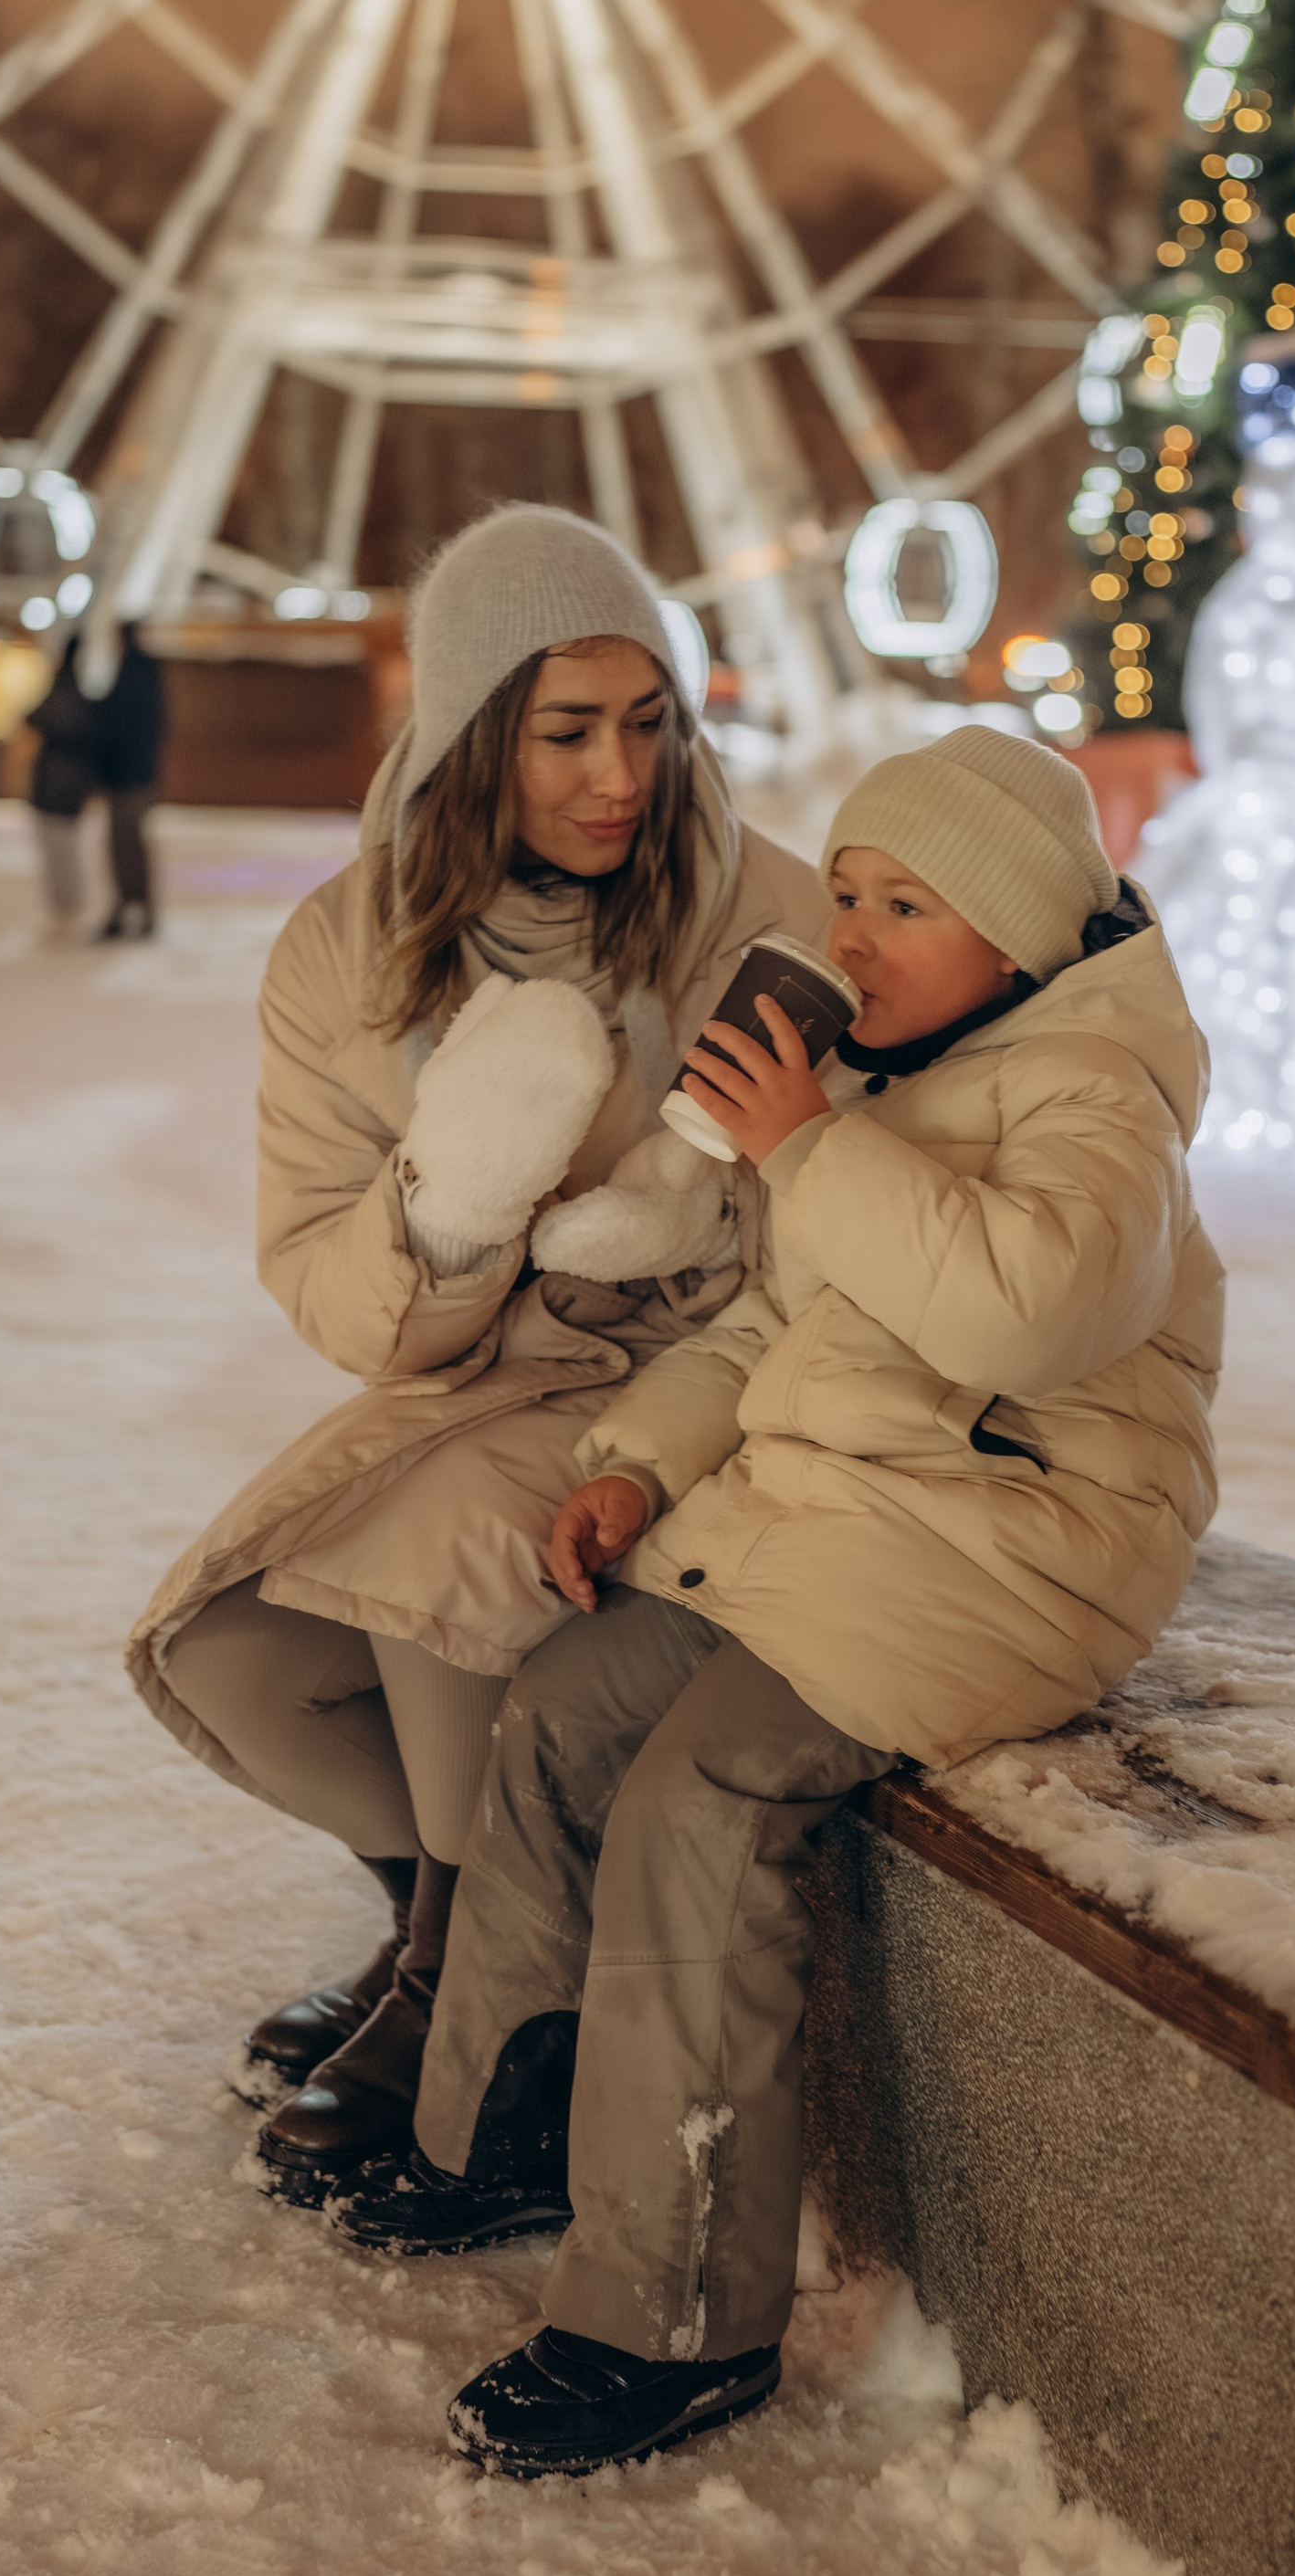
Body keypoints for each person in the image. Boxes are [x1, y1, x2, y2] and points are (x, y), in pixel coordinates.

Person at [329, 726, 1226, 2483]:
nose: (854, 935)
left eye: (907, 906)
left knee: (703, 1806)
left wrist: (808, 1147)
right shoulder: (880, 1084)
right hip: (846, 1522)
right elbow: (769, 1329)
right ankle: (505, 2126)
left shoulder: (1097, 1099)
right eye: (849, 896)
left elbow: (1030, 1313)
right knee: (562, 1710)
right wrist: (639, 1463)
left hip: (1011, 1546)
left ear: (1021, 937)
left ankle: (673, 2318)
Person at [126, 504, 822, 2198]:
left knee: (438, 1566)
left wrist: (678, 1221)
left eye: (648, 723)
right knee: (231, 1656)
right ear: (466, 733)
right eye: (565, 732)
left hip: (706, 1387)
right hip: (470, 1380)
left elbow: (827, 1244)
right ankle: (428, 1920)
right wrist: (452, 1207)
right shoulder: (348, 952)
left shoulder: (768, 913)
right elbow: (329, 1289)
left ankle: (473, 1992)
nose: (620, 777)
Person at [26, 621, 165, 942]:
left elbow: (120, 727)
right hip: (127, 775)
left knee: (126, 844)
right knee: (121, 845)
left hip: (128, 777)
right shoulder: (136, 675)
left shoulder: (135, 677)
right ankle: (129, 906)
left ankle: (134, 908)